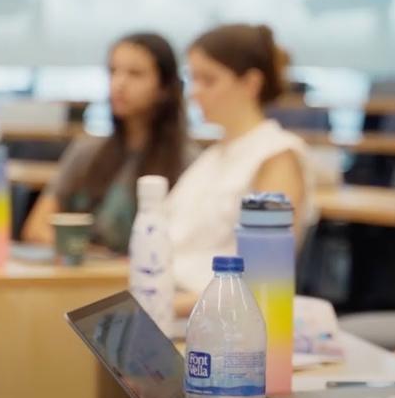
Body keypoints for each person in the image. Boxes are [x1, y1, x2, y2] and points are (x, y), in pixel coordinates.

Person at [169, 24, 314, 304]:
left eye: (208, 80)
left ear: (250, 83)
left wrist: (160, 304)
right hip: (172, 301)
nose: (194, 93)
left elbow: (262, 282)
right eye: (193, 79)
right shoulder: (211, 157)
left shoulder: (277, 156)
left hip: (216, 320)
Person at [23, 33, 196, 253]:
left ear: (164, 87)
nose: (119, 83)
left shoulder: (188, 161)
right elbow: (36, 228)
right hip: (87, 277)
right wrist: (91, 255)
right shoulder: (87, 151)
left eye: (135, 74)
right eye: (113, 71)